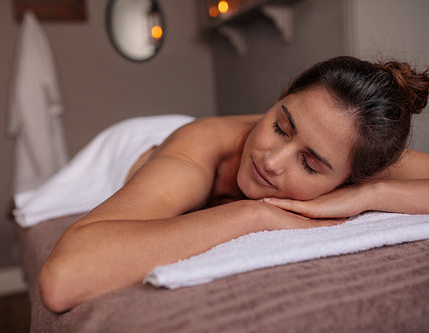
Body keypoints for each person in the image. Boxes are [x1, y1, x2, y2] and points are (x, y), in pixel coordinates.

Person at [38, 56, 429, 312]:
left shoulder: (355, 150)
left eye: (309, 164)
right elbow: (63, 279)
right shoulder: (199, 153)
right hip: (137, 146)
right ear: (279, 99)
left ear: (353, 175)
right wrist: (250, 215)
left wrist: (370, 195)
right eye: (280, 125)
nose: (271, 160)